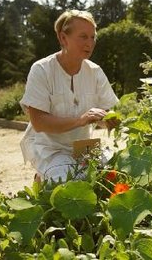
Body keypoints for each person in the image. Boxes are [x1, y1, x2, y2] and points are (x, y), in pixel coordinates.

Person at [19, 10, 119, 182]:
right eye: (83, 36)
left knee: (113, 175)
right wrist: (80, 120)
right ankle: (42, 179)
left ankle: (46, 179)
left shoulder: (95, 72)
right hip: (50, 148)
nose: (90, 43)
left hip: (84, 149)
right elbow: (39, 122)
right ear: (63, 38)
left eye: (93, 37)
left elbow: (103, 116)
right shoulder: (42, 70)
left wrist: (108, 120)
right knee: (68, 182)